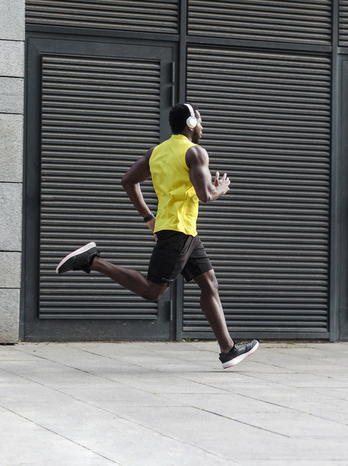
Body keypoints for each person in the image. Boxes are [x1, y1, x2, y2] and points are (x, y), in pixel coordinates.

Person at [56, 103, 258, 369]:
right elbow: (205, 195)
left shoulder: (157, 152)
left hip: (182, 231)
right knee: (153, 291)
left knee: (209, 284)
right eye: (200, 120)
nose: (203, 126)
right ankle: (93, 261)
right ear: (190, 123)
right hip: (179, 231)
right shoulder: (195, 153)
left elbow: (128, 180)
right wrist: (220, 188)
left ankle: (228, 349)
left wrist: (148, 218)